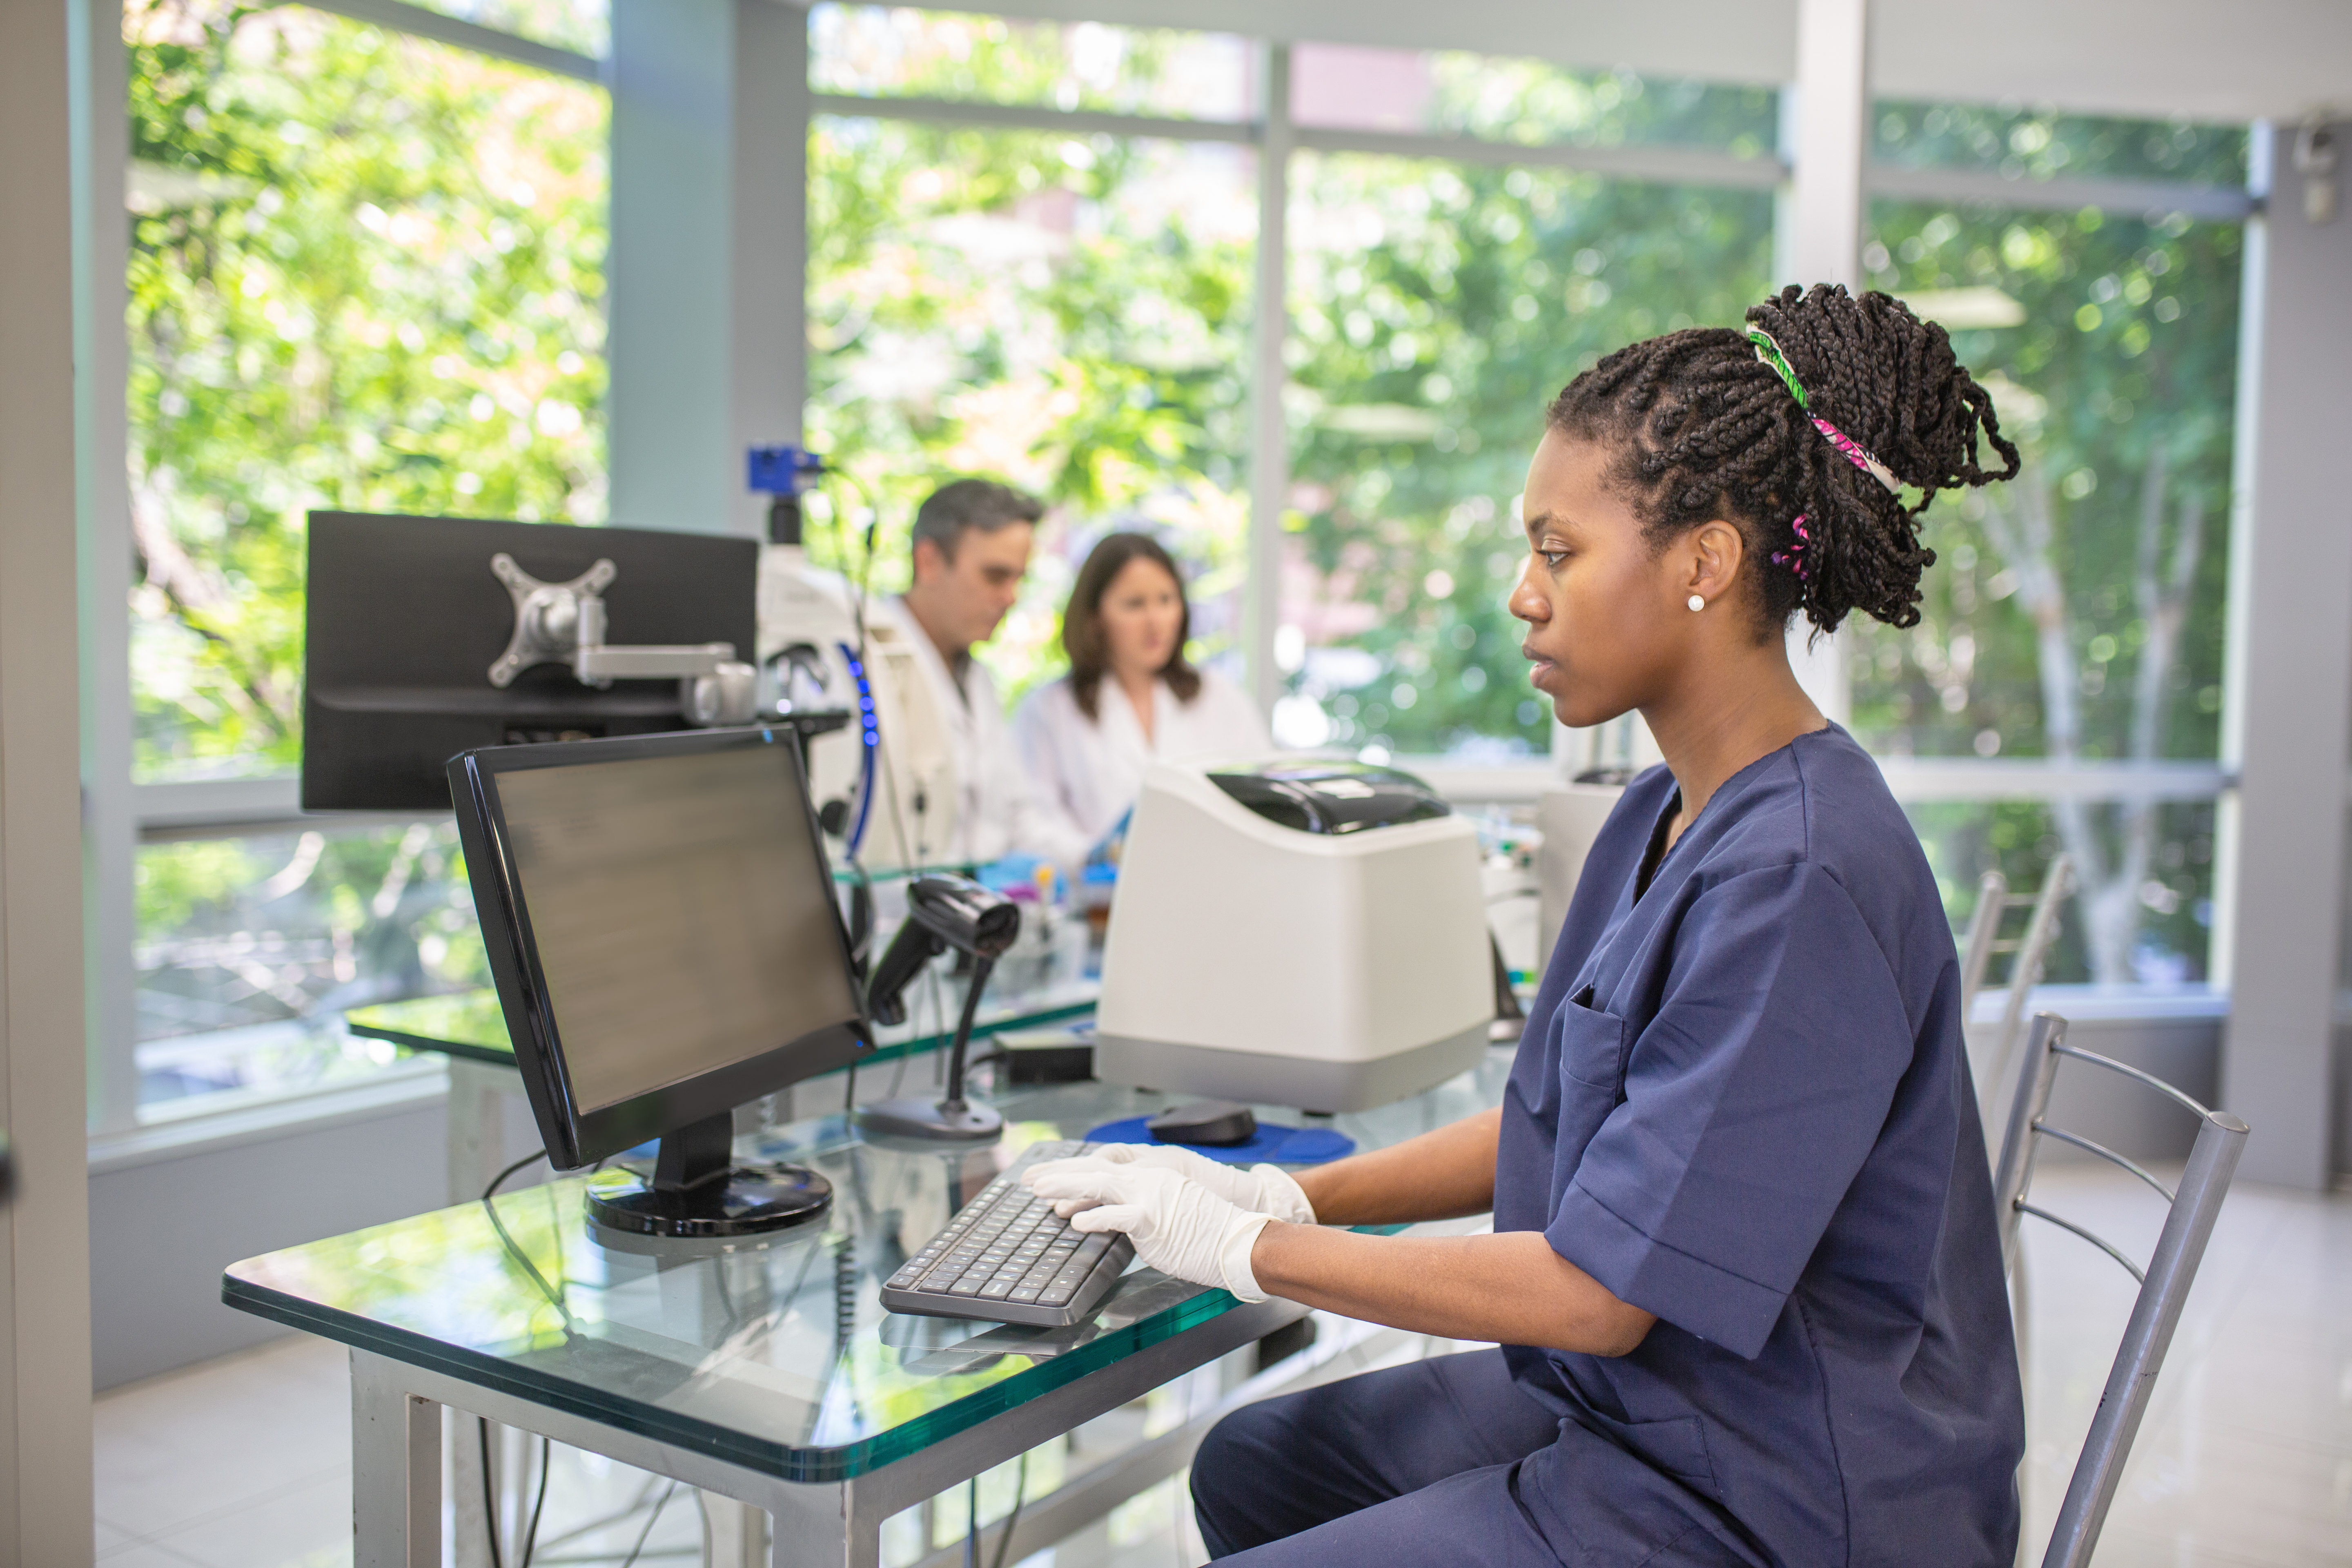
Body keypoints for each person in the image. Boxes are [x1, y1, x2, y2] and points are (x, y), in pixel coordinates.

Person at [1022, 284, 2028, 1566]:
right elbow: (1559, 1118)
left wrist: (1245, 1247)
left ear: (1705, 563)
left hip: (1779, 1493)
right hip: (1664, 1406)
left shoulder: (1801, 877)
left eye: (1558, 551)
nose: (1522, 594)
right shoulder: (1663, 811)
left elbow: (1598, 1296)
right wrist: (1284, 1189)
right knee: (1256, 1461)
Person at [869, 478, 1091, 869]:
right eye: (995, 576)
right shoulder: (866, 667)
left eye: (1019, 579)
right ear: (929, 562)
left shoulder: (977, 679)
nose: (1010, 597)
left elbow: (1016, 819)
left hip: (971, 901)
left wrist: (1094, 856)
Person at [1013, 532, 1270, 847]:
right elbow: (1031, 822)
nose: (1155, 621)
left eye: (1166, 600)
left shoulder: (1219, 696)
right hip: (1097, 879)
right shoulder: (1049, 709)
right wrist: (1096, 855)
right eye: (1135, 605)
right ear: (1095, 617)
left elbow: (1264, 795)